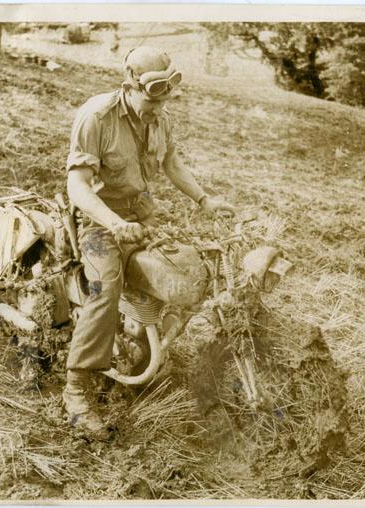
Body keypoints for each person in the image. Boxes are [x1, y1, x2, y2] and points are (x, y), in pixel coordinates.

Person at [64, 46, 235, 439]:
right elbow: (78, 186)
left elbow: (171, 162)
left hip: (142, 216)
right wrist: (114, 222)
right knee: (106, 286)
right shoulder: (97, 116)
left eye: (166, 99)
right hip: (98, 221)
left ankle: (144, 340)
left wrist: (204, 200)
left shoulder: (160, 117)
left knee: (187, 269)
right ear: (129, 85)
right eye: (152, 98)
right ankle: (76, 389)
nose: (159, 107)